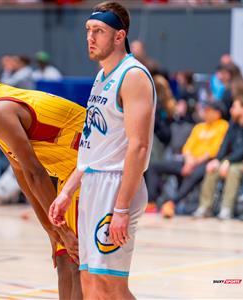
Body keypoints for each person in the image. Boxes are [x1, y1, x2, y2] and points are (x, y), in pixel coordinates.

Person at [0, 55, 85, 299]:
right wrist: (50, 229)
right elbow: (20, 171)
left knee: (76, 261)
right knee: (63, 258)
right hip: (70, 171)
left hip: (91, 166)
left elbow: (35, 172)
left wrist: (63, 230)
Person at [49, 2, 155, 299]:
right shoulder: (101, 76)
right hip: (94, 184)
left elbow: (139, 145)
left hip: (116, 185)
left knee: (111, 288)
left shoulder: (133, 76)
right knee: (91, 286)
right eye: (88, 31)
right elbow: (91, 145)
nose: (90, 38)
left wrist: (121, 207)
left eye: (99, 31)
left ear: (119, 36)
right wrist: (67, 190)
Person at [147, 101, 229, 218]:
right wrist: (189, 160)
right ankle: (151, 202)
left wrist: (193, 163)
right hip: (189, 161)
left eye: (208, 110)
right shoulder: (199, 126)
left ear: (217, 113)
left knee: (193, 175)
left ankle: (171, 203)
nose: (204, 113)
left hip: (206, 162)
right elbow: (187, 147)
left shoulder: (223, 126)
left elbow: (214, 150)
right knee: (154, 166)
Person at [194, 94, 243, 220]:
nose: (231, 109)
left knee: (233, 170)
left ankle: (226, 209)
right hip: (229, 161)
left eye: (234, 106)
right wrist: (217, 160)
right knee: (212, 168)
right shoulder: (233, 125)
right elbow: (224, 144)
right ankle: (205, 207)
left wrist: (227, 161)